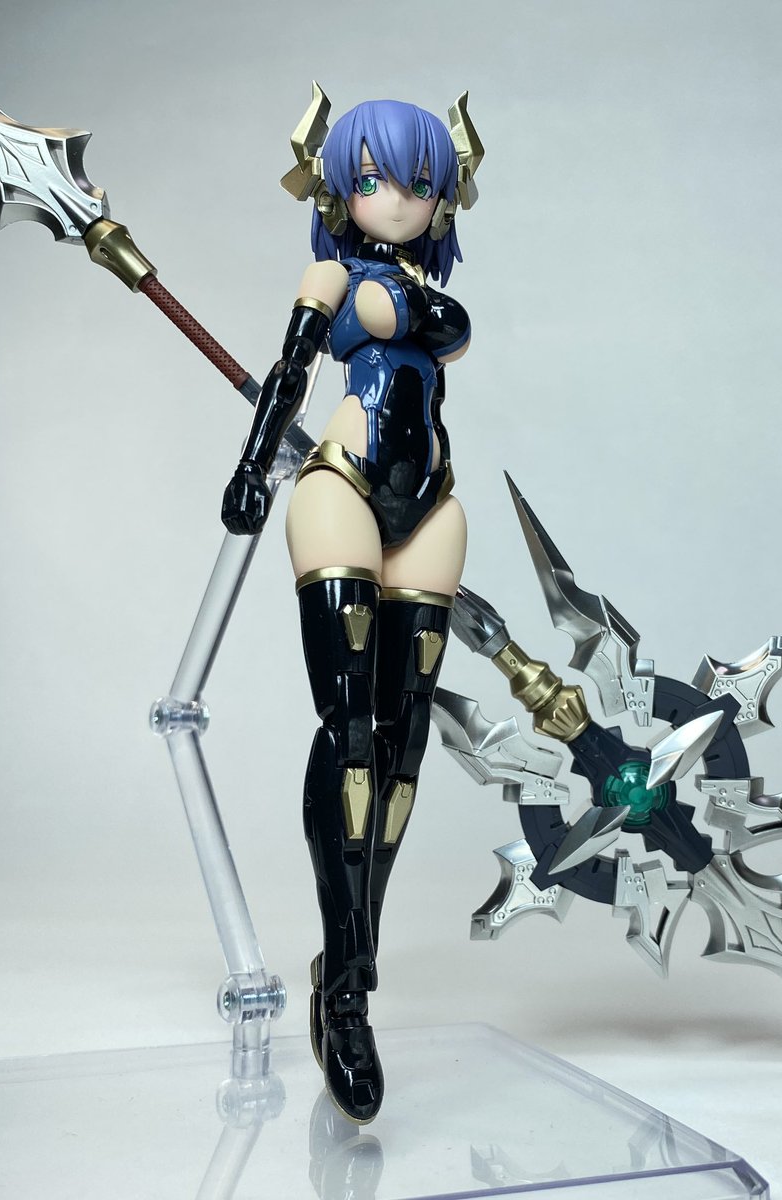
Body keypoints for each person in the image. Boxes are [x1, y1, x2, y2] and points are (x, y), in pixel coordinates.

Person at [220, 90, 481, 1123]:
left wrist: (407, 308)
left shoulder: (431, 295)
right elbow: (289, 372)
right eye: (375, 179)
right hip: (343, 487)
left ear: (443, 195)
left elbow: (445, 327)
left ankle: (345, 961)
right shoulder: (333, 276)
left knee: (404, 748)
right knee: (353, 730)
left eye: (419, 182)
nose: (399, 199)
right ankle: (348, 992)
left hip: (432, 508)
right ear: (340, 189)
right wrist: (252, 467)